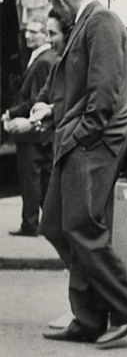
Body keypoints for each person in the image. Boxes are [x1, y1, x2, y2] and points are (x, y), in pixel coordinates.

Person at [30, 0, 127, 347]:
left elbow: (104, 95)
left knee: (81, 227)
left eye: (52, 4)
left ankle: (124, 307)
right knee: (57, 225)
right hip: (79, 139)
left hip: (93, 143)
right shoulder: (88, 24)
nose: (53, 12)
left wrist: (80, 134)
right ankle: (90, 315)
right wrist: (54, 113)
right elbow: (84, 91)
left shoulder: (102, 22)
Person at [2, 19, 58, 236]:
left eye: (34, 32)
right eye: (27, 31)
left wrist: (12, 112)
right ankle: (49, 222)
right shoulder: (46, 58)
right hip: (41, 130)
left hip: (32, 130)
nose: (27, 36)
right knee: (43, 178)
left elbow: (36, 98)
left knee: (30, 178)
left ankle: (31, 223)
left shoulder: (43, 61)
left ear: (45, 35)